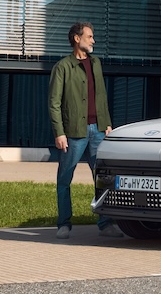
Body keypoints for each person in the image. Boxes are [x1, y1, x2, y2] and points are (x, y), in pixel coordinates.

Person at [48, 21, 114, 237]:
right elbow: (54, 103)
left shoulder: (96, 63)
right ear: (77, 39)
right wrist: (59, 132)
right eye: (89, 36)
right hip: (73, 132)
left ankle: (106, 223)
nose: (93, 40)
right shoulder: (63, 67)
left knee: (103, 178)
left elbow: (102, 96)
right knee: (65, 178)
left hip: (98, 131)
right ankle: (64, 224)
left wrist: (106, 124)